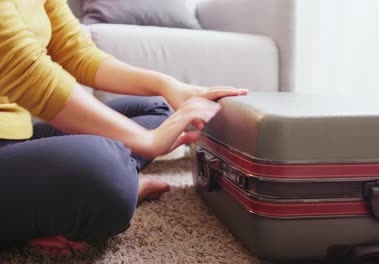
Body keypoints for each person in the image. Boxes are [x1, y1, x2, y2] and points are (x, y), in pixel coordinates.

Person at [0, 0, 247, 256]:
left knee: (158, 110)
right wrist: (147, 141)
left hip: (18, 138)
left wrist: (168, 85)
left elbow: (76, 52)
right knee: (104, 169)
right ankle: (119, 184)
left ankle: (60, 197)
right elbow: (24, 69)